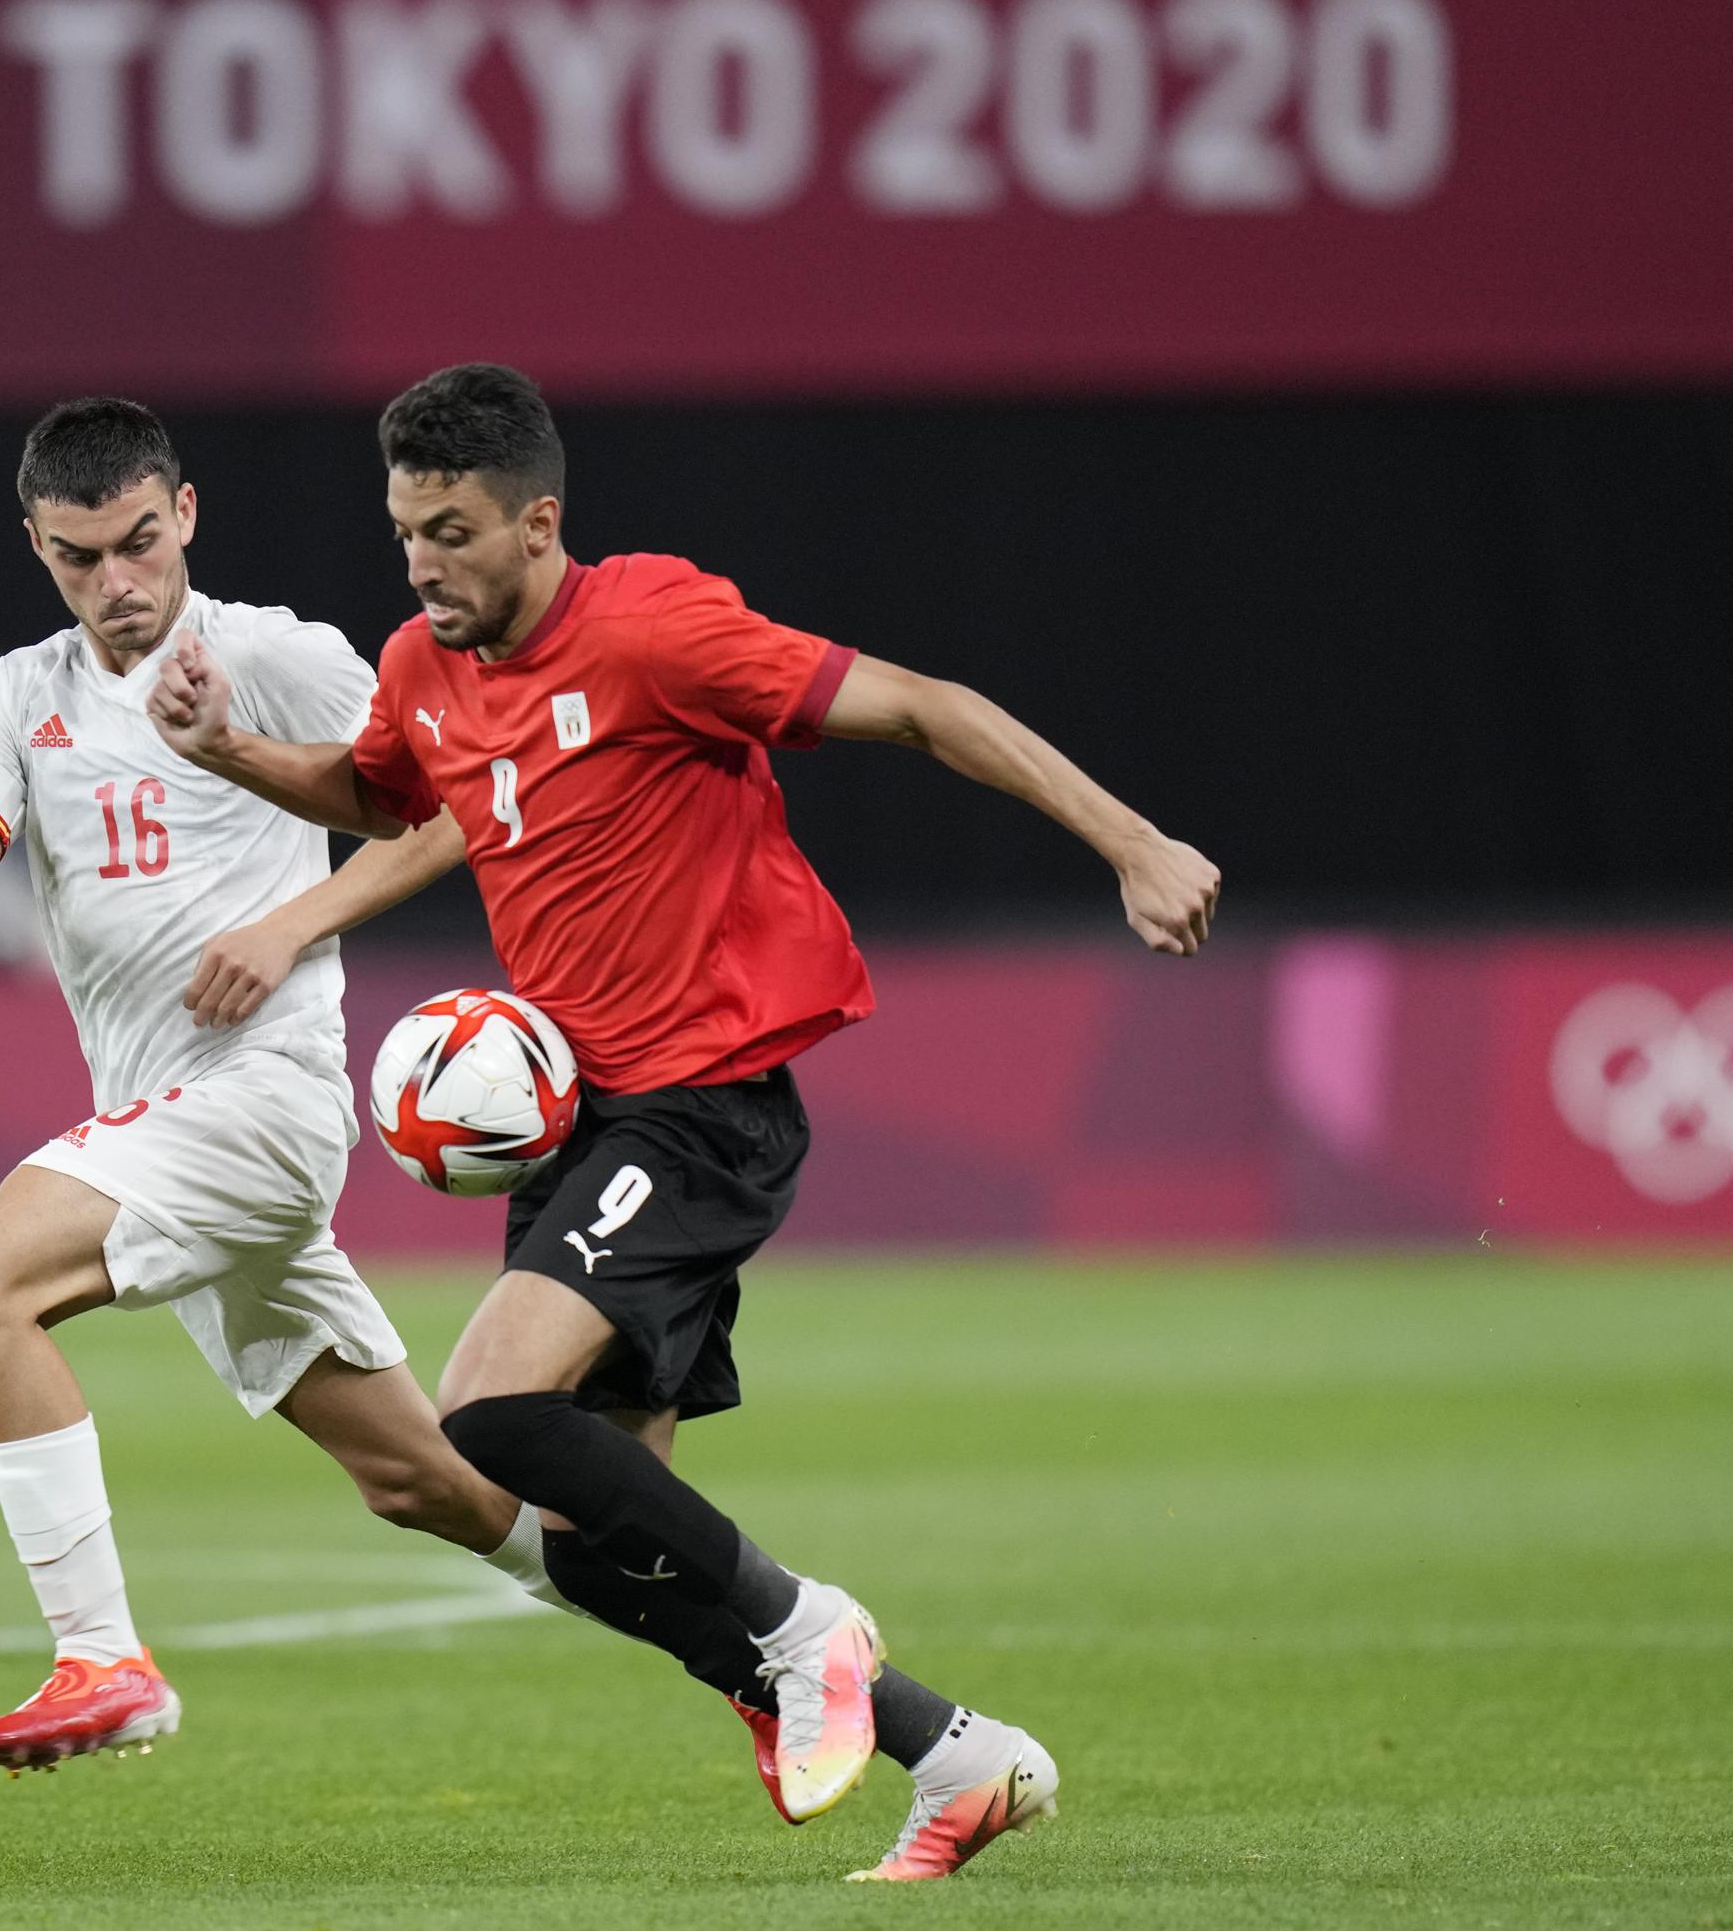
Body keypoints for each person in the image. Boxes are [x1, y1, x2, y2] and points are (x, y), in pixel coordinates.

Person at [147, 363, 1221, 1881]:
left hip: (703, 1103)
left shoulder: (655, 629)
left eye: (451, 532)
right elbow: (387, 794)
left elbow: (924, 708)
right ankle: (959, 1754)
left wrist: (1134, 840)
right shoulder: (423, 661)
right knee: (590, 1545)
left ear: (541, 523)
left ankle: (805, 1629)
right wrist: (230, 753)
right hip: (581, 1125)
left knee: (485, 1411)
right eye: (402, 532)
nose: (422, 565)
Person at [0, 398, 569, 1773]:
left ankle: (103, 1660)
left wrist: (291, 926)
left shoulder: (277, 658)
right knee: (420, 1483)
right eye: (81, 558)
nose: (117, 583)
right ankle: (760, 1629)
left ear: (186, 514)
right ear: (37, 545)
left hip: (266, 1102)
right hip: (167, 1125)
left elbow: (455, 806)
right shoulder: (20, 697)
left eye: (139, 544)